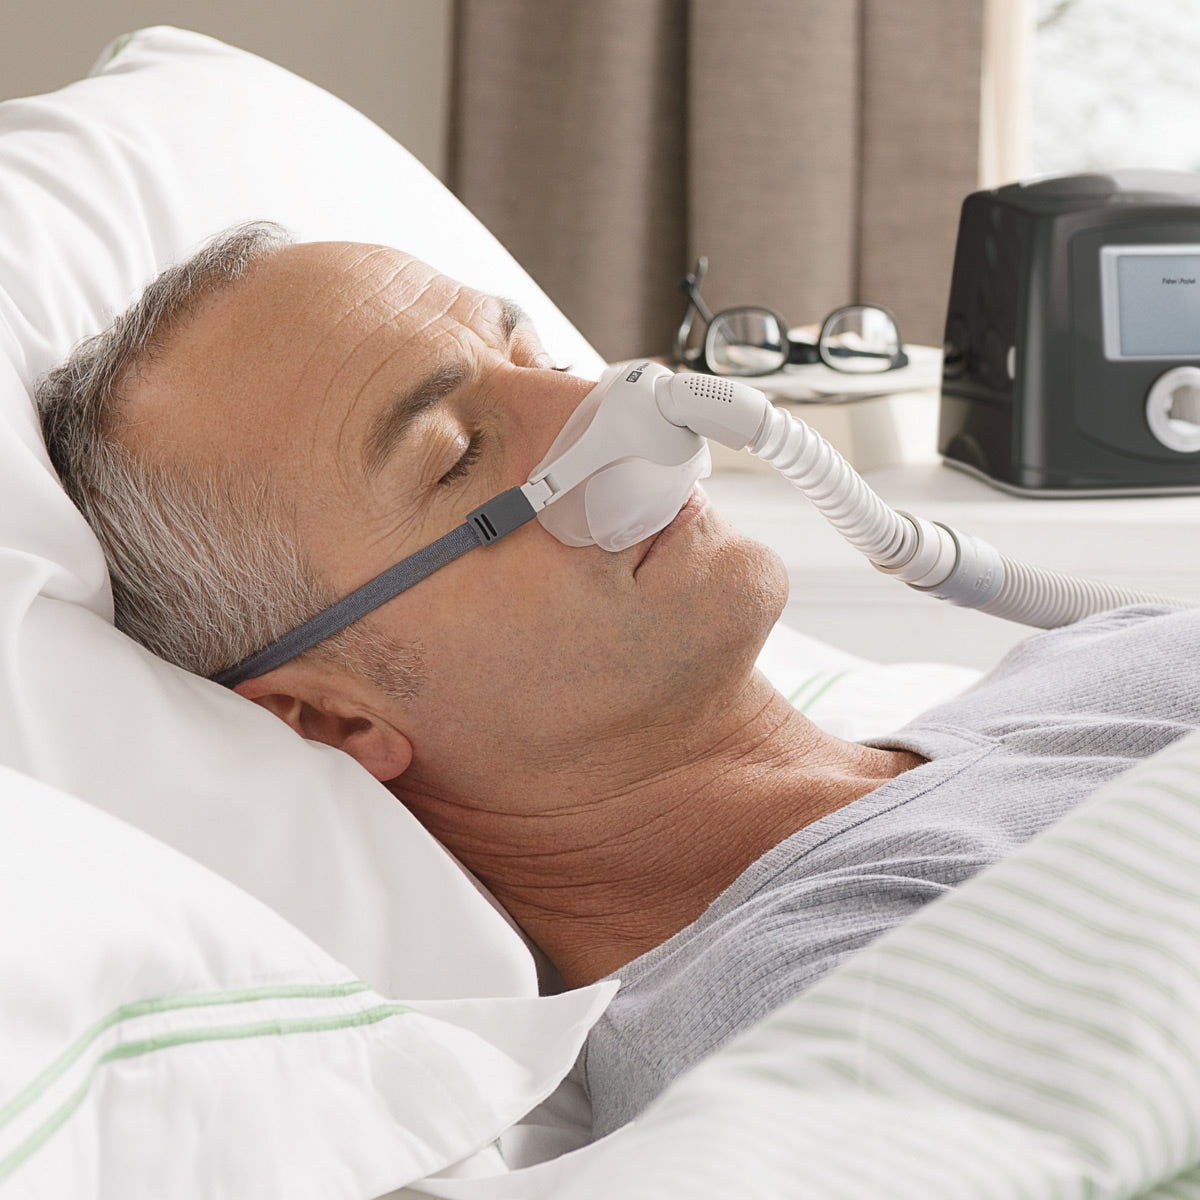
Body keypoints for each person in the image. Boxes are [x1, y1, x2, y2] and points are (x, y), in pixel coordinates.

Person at [37, 223, 1200, 1138]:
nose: (608, 407)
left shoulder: (1081, 662)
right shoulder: (817, 1011)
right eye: (456, 455)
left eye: (535, 353)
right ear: (332, 712)